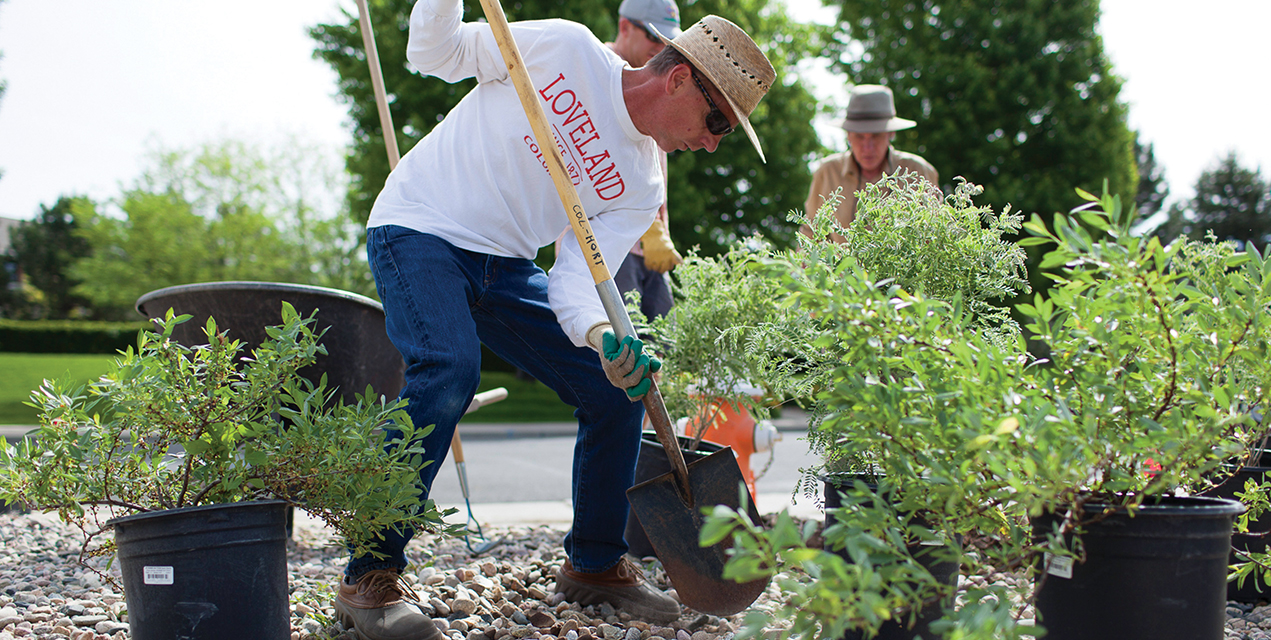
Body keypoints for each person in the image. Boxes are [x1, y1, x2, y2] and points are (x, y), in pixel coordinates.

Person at [333, 0, 776, 638]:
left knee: (617, 389)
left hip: (504, 265)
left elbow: (576, 283)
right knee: (448, 368)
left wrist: (605, 341)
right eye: (719, 121)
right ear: (679, 79)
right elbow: (435, 54)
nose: (711, 141)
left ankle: (594, 563)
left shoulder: (642, 182)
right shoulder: (564, 52)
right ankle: (367, 577)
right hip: (420, 227)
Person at [555, 0, 685, 323]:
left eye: (669, 43)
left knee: (668, 349)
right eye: (655, 38)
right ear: (625, 26)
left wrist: (661, 230)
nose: (662, 49)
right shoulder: (593, 70)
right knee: (615, 354)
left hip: (649, 247)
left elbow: (657, 170)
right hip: (605, 246)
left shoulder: (658, 85)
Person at [802, 84, 939, 242]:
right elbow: (811, 234)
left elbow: (934, 235)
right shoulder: (827, 172)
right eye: (860, 136)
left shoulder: (918, 171)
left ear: (891, 133)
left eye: (876, 136)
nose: (868, 147)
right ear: (848, 135)